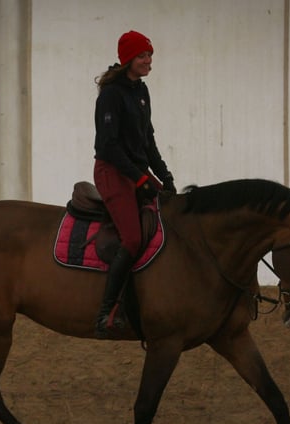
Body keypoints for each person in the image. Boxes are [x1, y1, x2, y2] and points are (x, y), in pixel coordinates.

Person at [93, 30, 176, 338]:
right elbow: (109, 147)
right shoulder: (111, 95)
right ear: (129, 58)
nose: (149, 61)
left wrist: (165, 176)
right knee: (131, 239)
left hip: (136, 172)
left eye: (150, 55)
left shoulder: (141, 90)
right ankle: (107, 311)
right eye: (143, 56)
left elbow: (148, 141)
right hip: (113, 171)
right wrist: (140, 178)